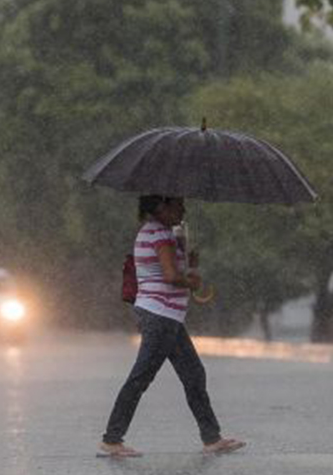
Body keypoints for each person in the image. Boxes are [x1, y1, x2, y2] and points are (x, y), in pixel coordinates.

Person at [99, 195, 246, 457]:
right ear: (160, 207)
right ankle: (112, 440)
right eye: (178, 205)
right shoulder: (159, 234)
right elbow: (170, 276)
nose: (183, 209)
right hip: (160, 316)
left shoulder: (157, 233)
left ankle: (212, 438)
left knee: (193, 374)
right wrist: (191, 282)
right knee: (141, 377)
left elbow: (170, 270)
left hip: (167, 317)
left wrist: (189, 261)